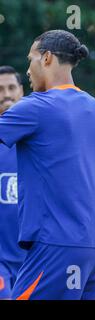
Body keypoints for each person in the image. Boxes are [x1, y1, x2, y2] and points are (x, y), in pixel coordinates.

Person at [0, 30, 95, 300]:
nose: (27, 70)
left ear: (47, 58)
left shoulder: (35, 107)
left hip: (57, 245)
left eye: (30, 60)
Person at [0, 66, 26, 300]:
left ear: (21, 92)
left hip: (34, 257)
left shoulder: (39, 140)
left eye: (11, 88)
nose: (6, 94)